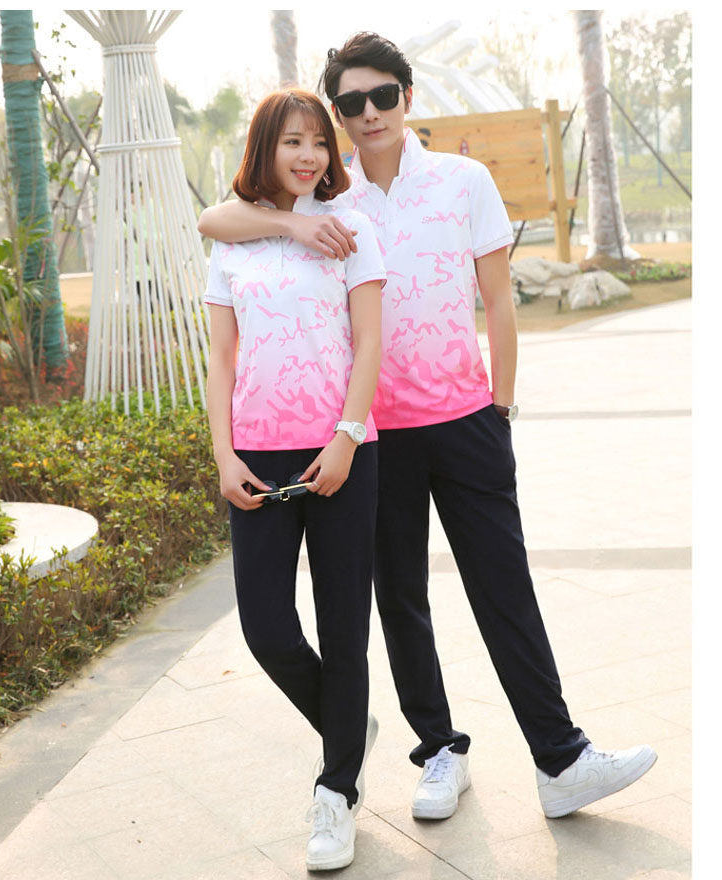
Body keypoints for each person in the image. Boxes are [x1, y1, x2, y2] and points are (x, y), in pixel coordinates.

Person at [198, 34, 657, 824]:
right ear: (336, 115)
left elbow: (499, 301)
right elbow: (220, 218)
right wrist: (297, 229)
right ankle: (439, 749)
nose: (369, 112)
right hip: (374, 437)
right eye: (351, 103)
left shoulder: (462, 181)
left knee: (504, 589)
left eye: (383, 96)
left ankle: (561, 759)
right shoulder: (331, 206)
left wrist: (500, 408)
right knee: (401, 600)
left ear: (407, 97)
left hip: (467, 420)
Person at [202, 89, 386, 871]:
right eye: (292, 142)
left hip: (342, 452)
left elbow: (370, 341)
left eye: (318, 142)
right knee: (267, 628)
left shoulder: (352, 228)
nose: (308, 155)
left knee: (344, 628)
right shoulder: (233, 240)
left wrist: (347, 438)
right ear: (265, 149)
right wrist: (224, 456)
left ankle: (335, 792)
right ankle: (349, 728)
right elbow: (221, 358)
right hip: (257, 456)